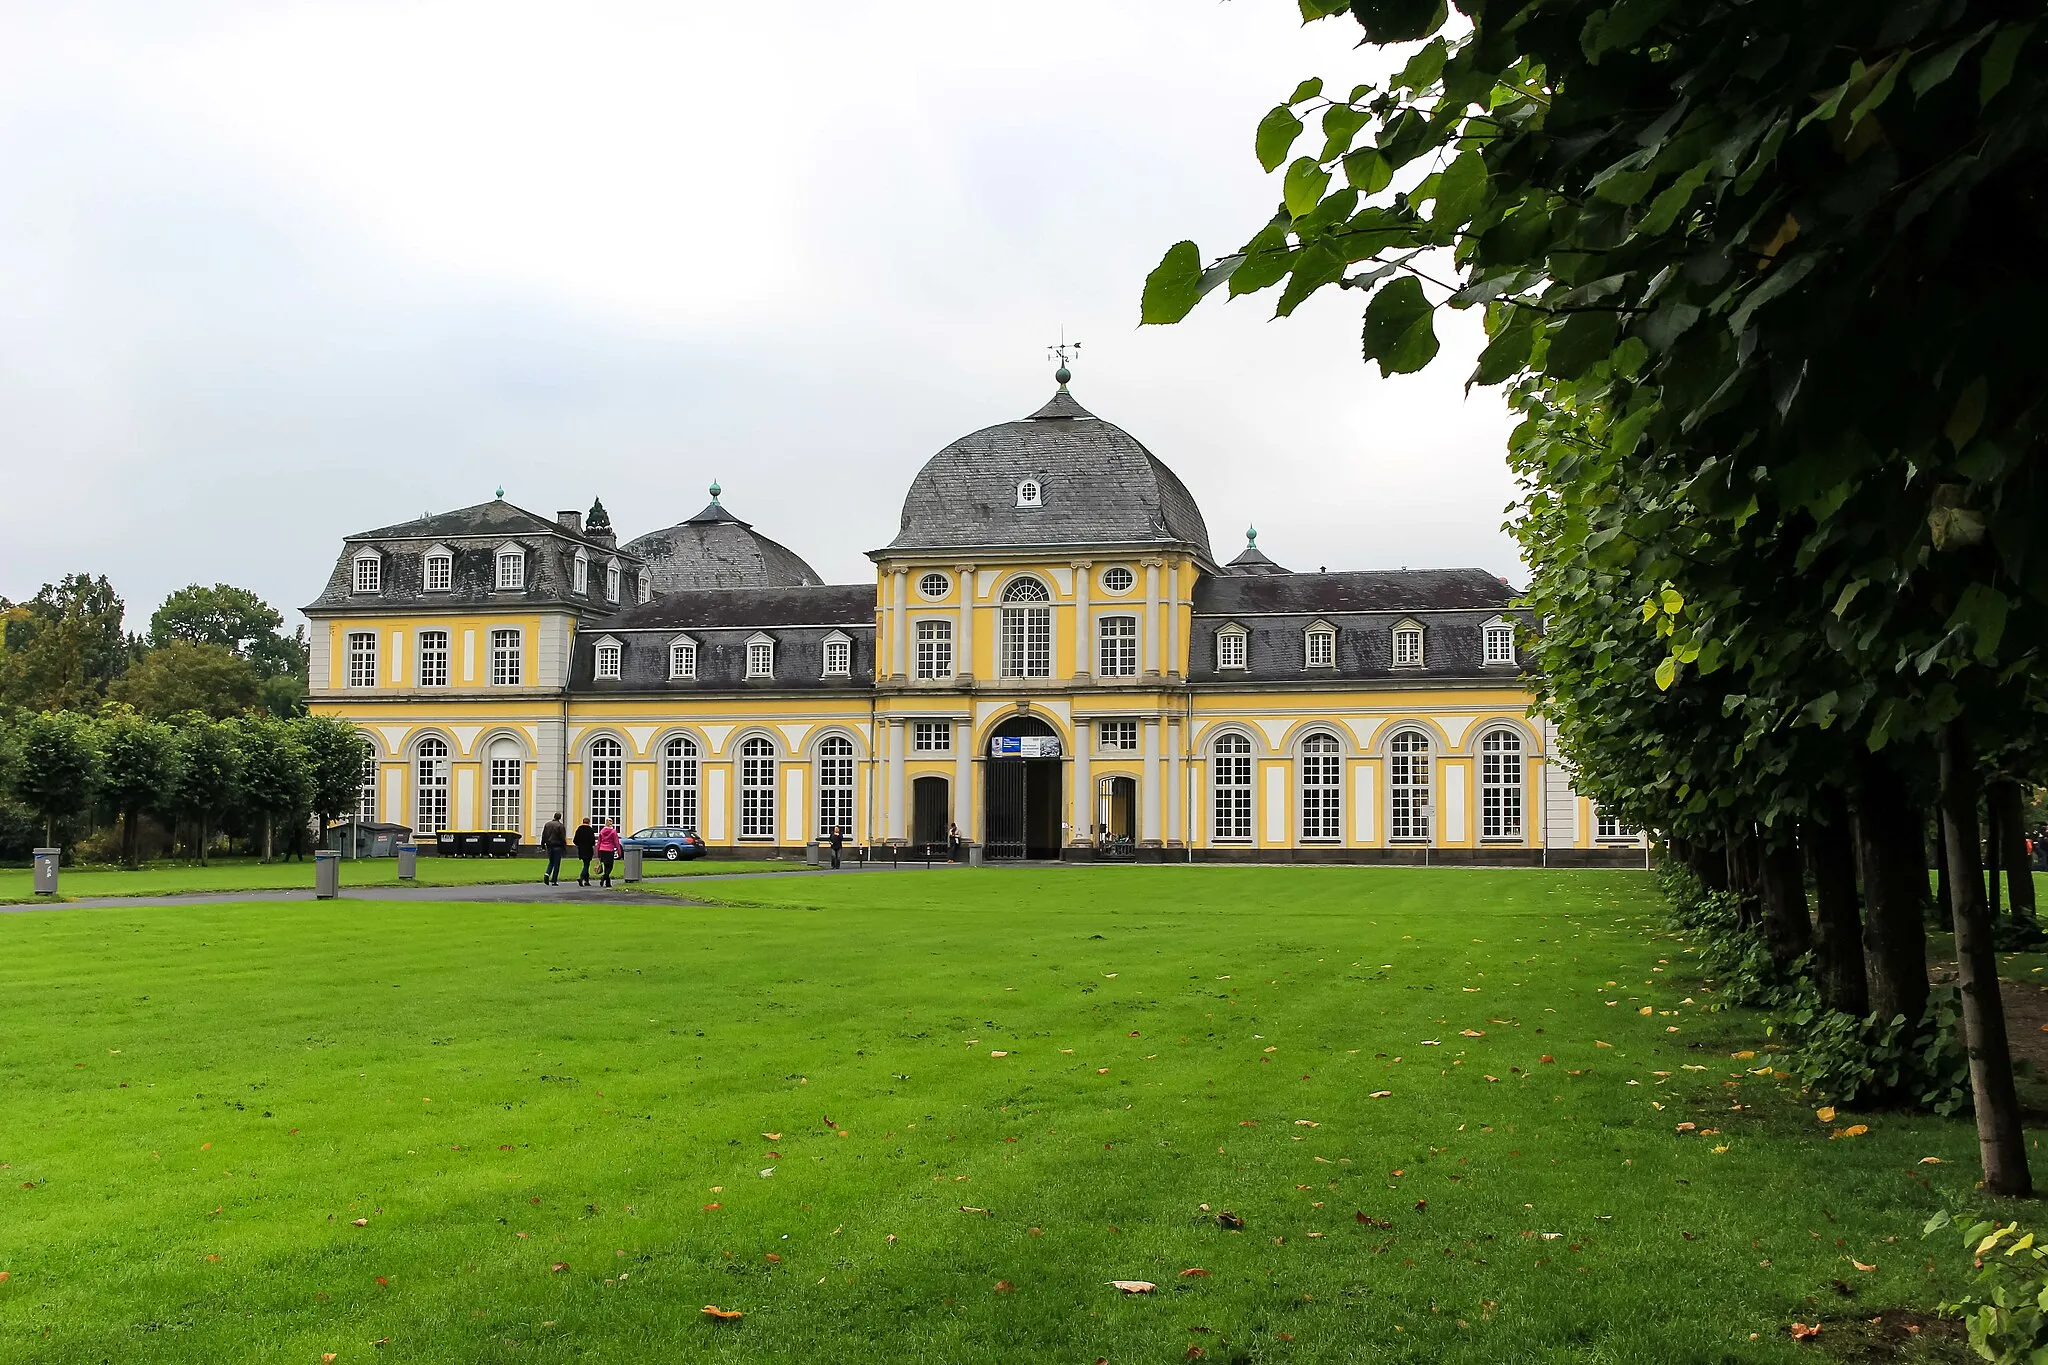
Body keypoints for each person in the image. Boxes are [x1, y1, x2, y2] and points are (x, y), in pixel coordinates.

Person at [540, 812, 567, 886]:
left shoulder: (547, 824)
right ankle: (554, 880)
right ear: (560, 818)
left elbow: (543, 835)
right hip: (557, 846)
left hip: (549, 845)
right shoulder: (560, 826)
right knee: (557, 864)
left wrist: (542, 844)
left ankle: (547, 874)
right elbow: (562, 838)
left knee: (551, 861)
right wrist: (564, 847)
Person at [595, 819, 623, 888]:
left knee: (605, 866)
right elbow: (616, 842)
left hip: (602, 849)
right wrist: (619, 852)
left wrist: (598, 852)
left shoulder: (602, 831)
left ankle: (608, 883)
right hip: (609, 850)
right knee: (610, 867)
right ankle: (604, 877)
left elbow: (599, 842)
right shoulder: (613, 832)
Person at [573, 817, 597, 886]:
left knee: (585, 864)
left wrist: (579, 845)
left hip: (581, 849)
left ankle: (587, 881)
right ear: (589, 822)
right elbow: (593, 841)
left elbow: (575, 840)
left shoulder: (579, 829)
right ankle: (581, 877)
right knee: (586, 865)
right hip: (588, 849)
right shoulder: (590, 830)